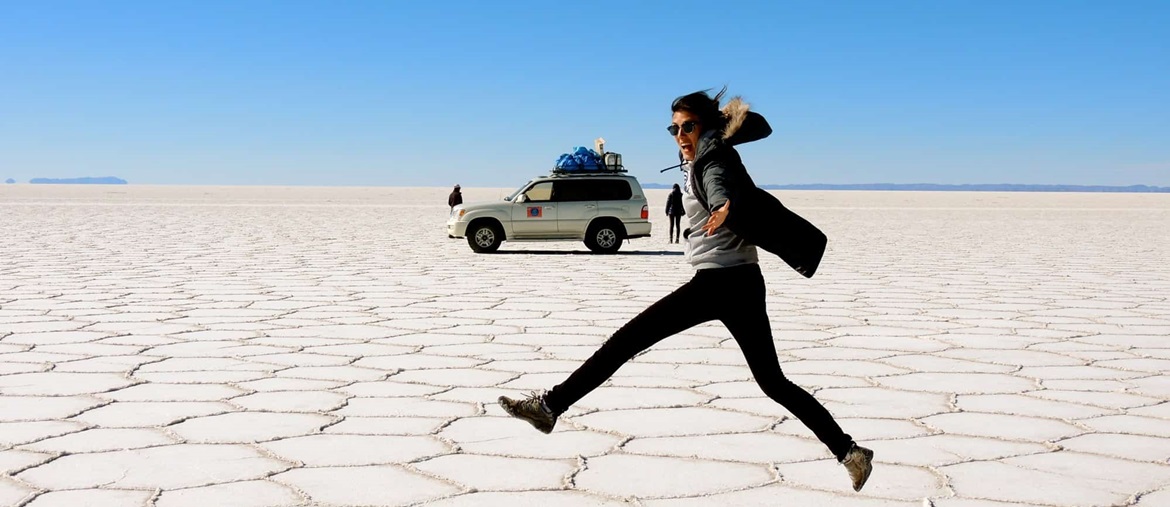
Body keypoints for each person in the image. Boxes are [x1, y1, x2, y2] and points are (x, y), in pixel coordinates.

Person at [499, 87, 874, 492]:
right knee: (772, 381)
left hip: (720, 282)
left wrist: (722, 206)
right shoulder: (705, 154)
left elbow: (719, 185)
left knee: (625, 341)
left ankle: (550, 406)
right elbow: (743, 143)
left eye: (688, 126)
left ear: (706, 126)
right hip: (741, 281)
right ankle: (850, 453)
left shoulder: (714, 159)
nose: (679, 135)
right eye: (674, 128)